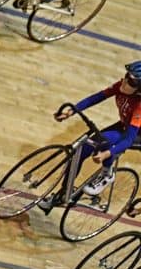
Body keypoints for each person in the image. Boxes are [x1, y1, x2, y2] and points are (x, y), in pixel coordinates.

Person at [52, 61, 141, 197]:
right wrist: (72, 111)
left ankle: (107, 174)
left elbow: (129, 139)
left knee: (103, 142)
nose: (125, 82)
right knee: (81, 150)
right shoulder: (121, 85)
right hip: (124, 125)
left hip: (135, 134)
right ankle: (63, 194)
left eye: (131, 82)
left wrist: (107, 154)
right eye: (127, 76)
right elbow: (96, 97)